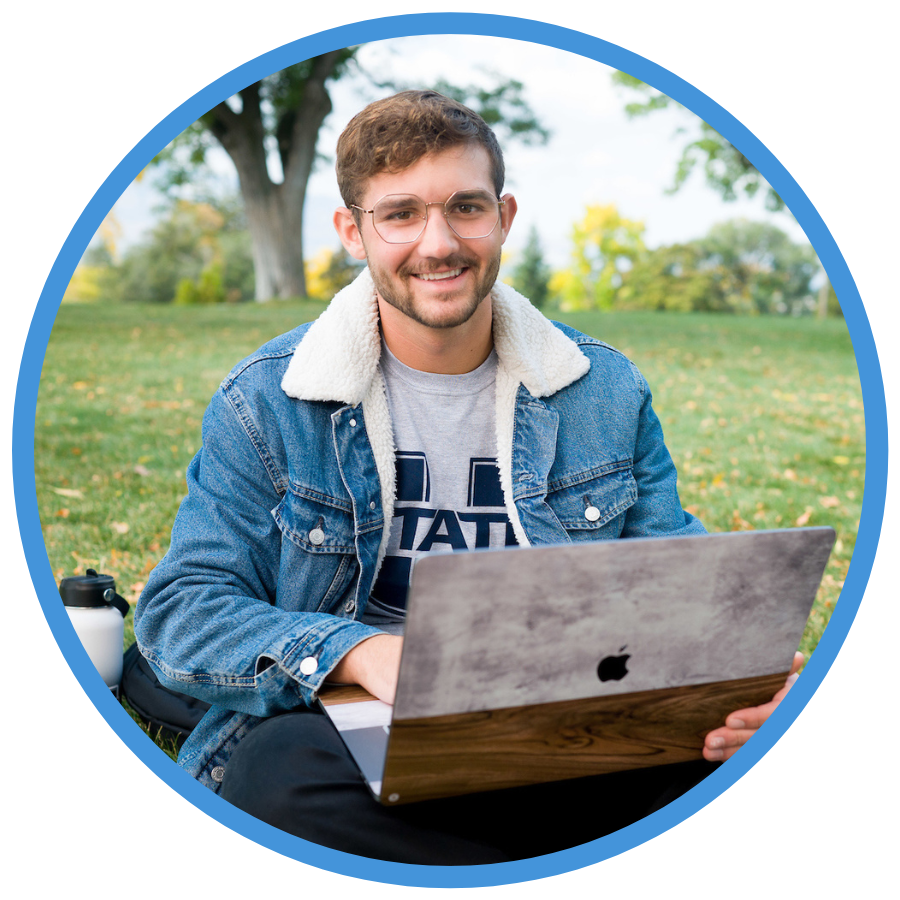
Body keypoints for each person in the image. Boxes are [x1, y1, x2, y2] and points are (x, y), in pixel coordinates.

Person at [134, 90, 802, 864]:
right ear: (352, 231)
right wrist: (359, 654)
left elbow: (677, 579)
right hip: (358, 730)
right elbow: (183, 610)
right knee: (273, 777)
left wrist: (746, 681)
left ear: (503, 217)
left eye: (466, 207)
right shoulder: (266, 400)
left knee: (735, 763)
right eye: (400, 214)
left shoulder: (606, 391)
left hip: (565, 728)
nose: (440, 242)